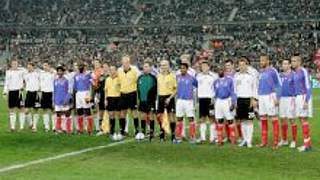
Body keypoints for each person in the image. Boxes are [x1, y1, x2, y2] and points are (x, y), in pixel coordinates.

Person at [257, 54, 282, 150]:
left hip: (270, 96)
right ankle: (264, 141)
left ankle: (276, 142)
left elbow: (278, 84)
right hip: (261, 97)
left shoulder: (273, 71)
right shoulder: (261, 72)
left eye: (263, 60)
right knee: (263, 118)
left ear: (268, 61)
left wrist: (278, 98)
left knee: (273, 118)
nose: (261, 62)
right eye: (260, 60)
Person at [234, 57, 257, 148]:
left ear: (247, 65)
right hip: (240, 100)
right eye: (240, 65)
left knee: (250, 120)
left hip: (249, 100)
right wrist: (235, 101)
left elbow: (254, 88)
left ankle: (249, 141)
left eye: (243, 65)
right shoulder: (236, 76)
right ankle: (244, 140)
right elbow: (235, 90)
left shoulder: (251, 76)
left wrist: (254, 99)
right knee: (242, 120)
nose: (242, 67)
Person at [291, 54, 312, 152]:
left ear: (299, 62)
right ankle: (307, 143)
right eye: (292, 61)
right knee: (301, 119)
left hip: (303, 97)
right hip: (298, 98)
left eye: (294, 61)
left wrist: (306, 101)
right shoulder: (295, 73)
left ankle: (307, 145)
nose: (292, 63)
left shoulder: (303, 71)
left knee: (304, 120)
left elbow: (308, 86)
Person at [175, 63, 198, 144]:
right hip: (179, 100)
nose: (182, 70)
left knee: (191, 118)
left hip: (189, 101)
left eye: (184, 68)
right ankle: (178, 137)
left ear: (187, 69)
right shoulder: (177, 77)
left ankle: (192, 137)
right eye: (181, 68)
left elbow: (197, 86)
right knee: (179, 118)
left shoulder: (192, 78)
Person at [214, 65, 237, 146]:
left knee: (230, 120)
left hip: (227, 100)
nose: (220, 71)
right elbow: (215, 93)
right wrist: (214, 102)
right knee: (219, 120)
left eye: (221, 69)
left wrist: (233, 102)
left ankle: (233, 139)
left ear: (224, 71)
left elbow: (233, 92)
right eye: (218, 70)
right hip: (218, 101)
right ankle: (220, 140)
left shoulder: (230, 80)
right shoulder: (215, 81)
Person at [196, 61, 218, 143]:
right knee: (202, 118)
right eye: (202, 66)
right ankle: (202, 138)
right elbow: (196, 87)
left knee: (212, 118)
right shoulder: (198, 76)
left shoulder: (214, 76)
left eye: (205, 66)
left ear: (209, 67)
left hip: (210, 99)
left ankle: (212, 138)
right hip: (201, 99)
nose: (204, 68)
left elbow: (216, 88)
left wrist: (214, 98)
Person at [118, 55, 139, 137]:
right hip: (123, 93)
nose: (125, 64)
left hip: (132, 93)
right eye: (123, 62)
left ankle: (137, 131)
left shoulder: (135, 69)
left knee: (134, 112)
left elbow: (139, 79)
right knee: (122, 113)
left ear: (129, 62)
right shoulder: (119, 70)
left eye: (126, 62)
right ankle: (123, 131)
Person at [157, 60, 177, 142]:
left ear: (168, 66)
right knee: (161, 117)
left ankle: (173, 135)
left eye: (165, 65)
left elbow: (176, 89)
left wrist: (169, 98)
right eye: (161, 65)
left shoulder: (172, 76)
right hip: (161, 97)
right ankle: (162, 134)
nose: (163, 67)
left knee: (171, 116)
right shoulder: (158, 76)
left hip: (169, 97)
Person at [137, 61, 157, 141]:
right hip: (142, 100)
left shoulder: (153, 78)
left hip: (151, 101)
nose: (145, 68)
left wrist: (153, 99)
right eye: (144, 66)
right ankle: (143, 133)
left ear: (150, 68)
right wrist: (139, 99)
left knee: (151, 116)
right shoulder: (140, 78)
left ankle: (151, 133)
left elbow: (155, 90)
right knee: (143, 116)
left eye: (146, 66)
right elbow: (138, 89)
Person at [3, 59, 25, 132]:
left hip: (19, 92)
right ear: (11, 64)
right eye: (13, 64)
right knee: (11, 109)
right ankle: (12, 127)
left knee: (22, 109)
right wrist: (5, 92)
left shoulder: (21, 71)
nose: (15, 65)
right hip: (12, 92)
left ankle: (21, 127)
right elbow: (6, 83)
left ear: (18, 64)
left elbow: (30, 71)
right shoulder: (8, 72)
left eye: (16, 64)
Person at [74, 63, 94, 135]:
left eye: (82, 66)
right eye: (80, 66)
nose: (81, 67)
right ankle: (81, 129)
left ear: (85, 67)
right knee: (79, 111)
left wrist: (90, 95)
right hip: (78, 93)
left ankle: (90, 130)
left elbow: (92, 85)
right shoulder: (76, 76)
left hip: (86, 93)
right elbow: (75, 87)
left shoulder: (88, 75)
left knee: (87, 111)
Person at [105, 65, 122, 140]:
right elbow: (106, 90)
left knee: (119, 115)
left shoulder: (119, 79)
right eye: (110, 70)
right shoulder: (107, 79)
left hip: (118, 98)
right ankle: (112, 131)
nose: (112, 71)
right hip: (110, 98)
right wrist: (105, 99)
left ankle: (121, 131)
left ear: (116, 70)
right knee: (111, 115)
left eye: (113, 70)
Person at [53, 65, 71, 133]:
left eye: (61, 71)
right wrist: (53, 100)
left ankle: (67, 128)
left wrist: (67, 99)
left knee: (66, 114)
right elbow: (54, 91)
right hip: (57, 100)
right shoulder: (55, 80)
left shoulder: (66, 80)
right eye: (58, 71)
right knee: (58, 114)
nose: (59, 72)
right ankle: (58, 128)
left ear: (63, 72)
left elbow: (69, 90)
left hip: (64, 100)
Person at [23, 62, 40, 132]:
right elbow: (24, 82)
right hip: (29, 93)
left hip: (36, 93)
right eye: (28, 67)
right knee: (26, 111)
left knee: (35, 110)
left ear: (33, 67)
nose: (29, 68)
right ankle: (30, 124)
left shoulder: (38, 74)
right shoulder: (26, 75)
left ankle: (34, 127)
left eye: (30, 67)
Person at [39, 61, 55, 132]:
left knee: (53, 110)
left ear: (49, 66)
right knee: (45, 110)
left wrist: (53, 71)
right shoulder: (41, 74)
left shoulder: (53, 73)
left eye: (46, 65)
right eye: (44, 66)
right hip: (44, 93)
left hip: (51, 93)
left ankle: (54, 127)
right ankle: (47, 127)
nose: (44, 67)